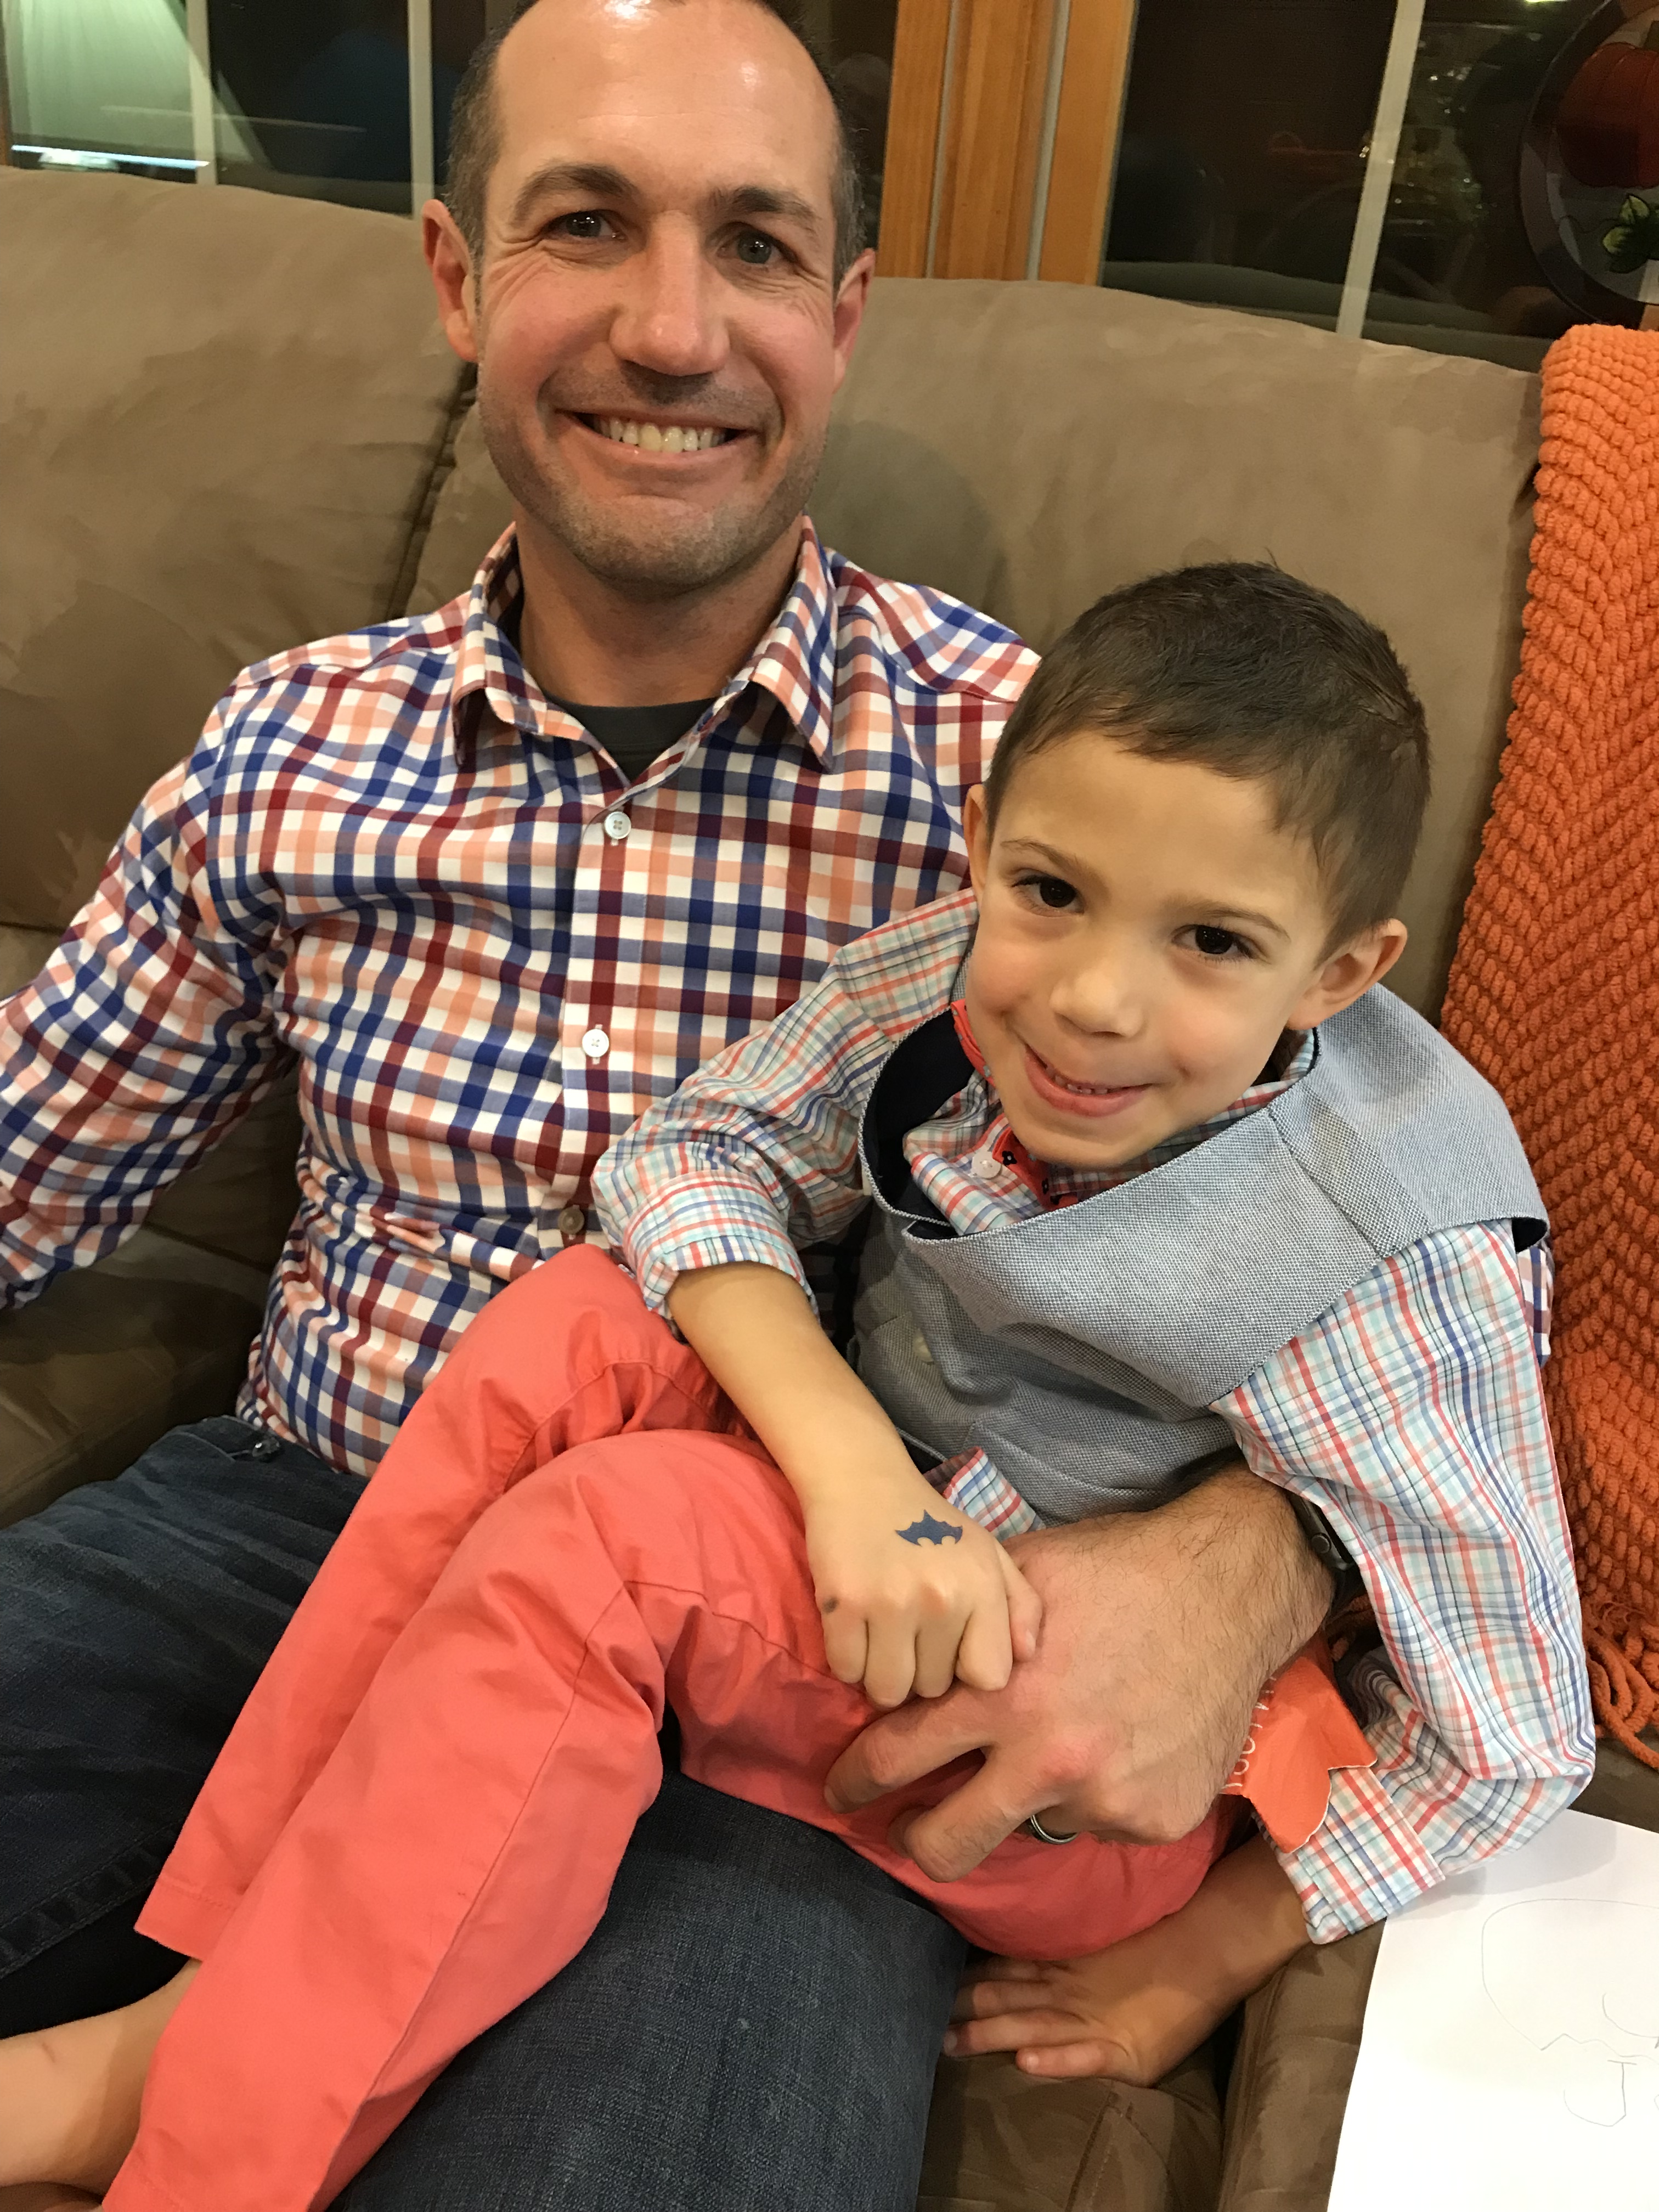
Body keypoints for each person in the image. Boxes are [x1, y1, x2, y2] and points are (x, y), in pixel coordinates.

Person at [0, 3, 1349, 2206]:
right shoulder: (294, 745)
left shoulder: (1040, 790)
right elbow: (22, 1161)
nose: (672, 327)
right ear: (458, 278)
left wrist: (1252, 1560)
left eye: (753, 244)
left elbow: (1390, 1222)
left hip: (788, 1671)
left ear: (843, 313)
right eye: (586, 225)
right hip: (288, 1535)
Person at [0, 565, 1594, 2211]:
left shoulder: (1396, 1241)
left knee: (607, 1541)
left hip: (1046, 1756)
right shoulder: (950, 977)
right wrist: (849, 1468)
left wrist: (1202, 1960)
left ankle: (210, 2147)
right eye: (1052, 892)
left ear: (1340, 973)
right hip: (872, 1544)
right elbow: (689, 1150)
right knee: (572, 1325)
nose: (1095, 999)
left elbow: (1515, 1732)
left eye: (1212, 943)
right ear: (986, 842)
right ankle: (217, 1990)